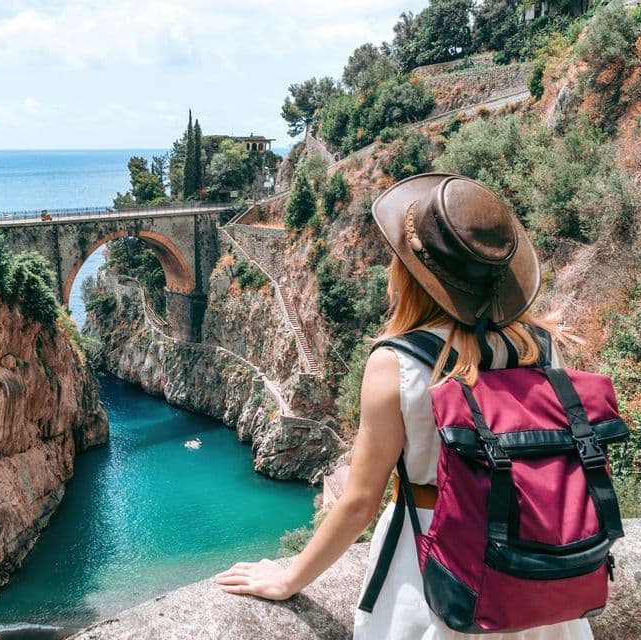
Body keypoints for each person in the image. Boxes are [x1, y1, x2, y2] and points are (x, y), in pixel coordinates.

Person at [215, 173, 592, 639]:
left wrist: (290, 577)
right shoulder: (541, 346)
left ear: (411, 273)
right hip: (537, 573)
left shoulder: (398, 364)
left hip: (437, 572)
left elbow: (360, 502)